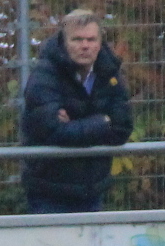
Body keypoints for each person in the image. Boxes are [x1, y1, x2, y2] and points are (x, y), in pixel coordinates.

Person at [20, 8, 133, 214]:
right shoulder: (44, 76)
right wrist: (102, 122)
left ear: (100, 43)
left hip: (93, 191)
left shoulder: (109, 73)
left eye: (91, 39)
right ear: (64, 42)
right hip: (48, 193)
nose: (85, 46)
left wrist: (73, 125)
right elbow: (52, 131)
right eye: (77, 39)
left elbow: (122, 128)